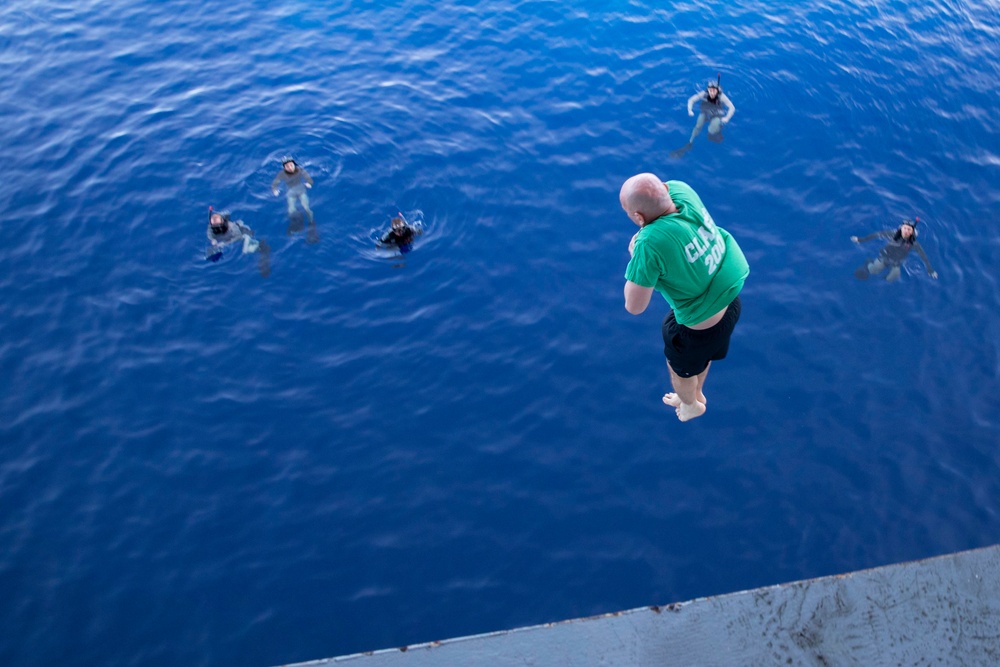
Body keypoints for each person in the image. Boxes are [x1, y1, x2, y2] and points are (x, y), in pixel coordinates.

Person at [621, 174, 749, 422]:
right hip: (730, 298)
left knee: (680, 369)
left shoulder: (649, 244)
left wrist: (635, 256)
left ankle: (692, 404)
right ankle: (697, 392)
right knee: (702, 357)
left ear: (638, 217)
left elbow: (634, 306)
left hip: (700, 327)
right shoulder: (682, 190)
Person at [851, 218, 937, 281]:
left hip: (897, 262)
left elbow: (923, 256)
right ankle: (868, 262)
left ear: (912, 232)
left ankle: (882, 285)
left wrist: (930, 270)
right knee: (874, 271)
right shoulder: (892, 234)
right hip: (885, 257)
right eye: (905, 228)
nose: (906, 231)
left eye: (909, 229)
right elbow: (876, 235)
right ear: (901, 228)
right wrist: (860, 240)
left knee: (891, 278)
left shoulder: (914, 244)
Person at [670, 80, 736, 158]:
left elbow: (732, 107)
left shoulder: (722, 97)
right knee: (698, 126)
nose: (712, 92)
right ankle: (690, 142)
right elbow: (691, 100)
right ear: (708, 89)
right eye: (710, 90)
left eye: (714, 90)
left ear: (717, 91)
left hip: (717, 114)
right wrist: (690, 110)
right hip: (706, 112)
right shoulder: (703, 94)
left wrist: (727, 118)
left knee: (711, 130)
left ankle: (718, 129)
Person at [206, 209, 271, 277]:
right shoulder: (211, 227)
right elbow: (209, 233)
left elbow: (238, 237)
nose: (216, 229)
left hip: (243, 234)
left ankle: (262, 249)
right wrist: (213, 240)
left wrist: (224, 244)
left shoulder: (232, 226)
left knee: (247, 250)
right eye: (214, 227)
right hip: (230, 236)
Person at [271, 155, 318, 242]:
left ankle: (311, 224)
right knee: (291, 209)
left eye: (291, 165)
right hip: (290, 192)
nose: (289, 167)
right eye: (287, 166)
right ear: (284, 167)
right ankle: (295, 224)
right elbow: (275, 183)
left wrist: (309, 184)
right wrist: (275, 190)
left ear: (294, 164)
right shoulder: (282, 174)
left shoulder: (300, 170)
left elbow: (309, 179)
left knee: (307, 208)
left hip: (301, 190)